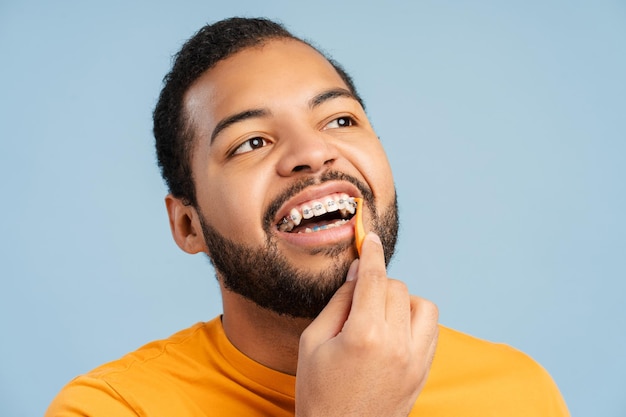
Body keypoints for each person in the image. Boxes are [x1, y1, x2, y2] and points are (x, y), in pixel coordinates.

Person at [46, 17, 570, 416]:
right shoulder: (111, 408)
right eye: (250, 142)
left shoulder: (518, 390)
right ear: (189, 225)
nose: (314, 153)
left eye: (340, 119)